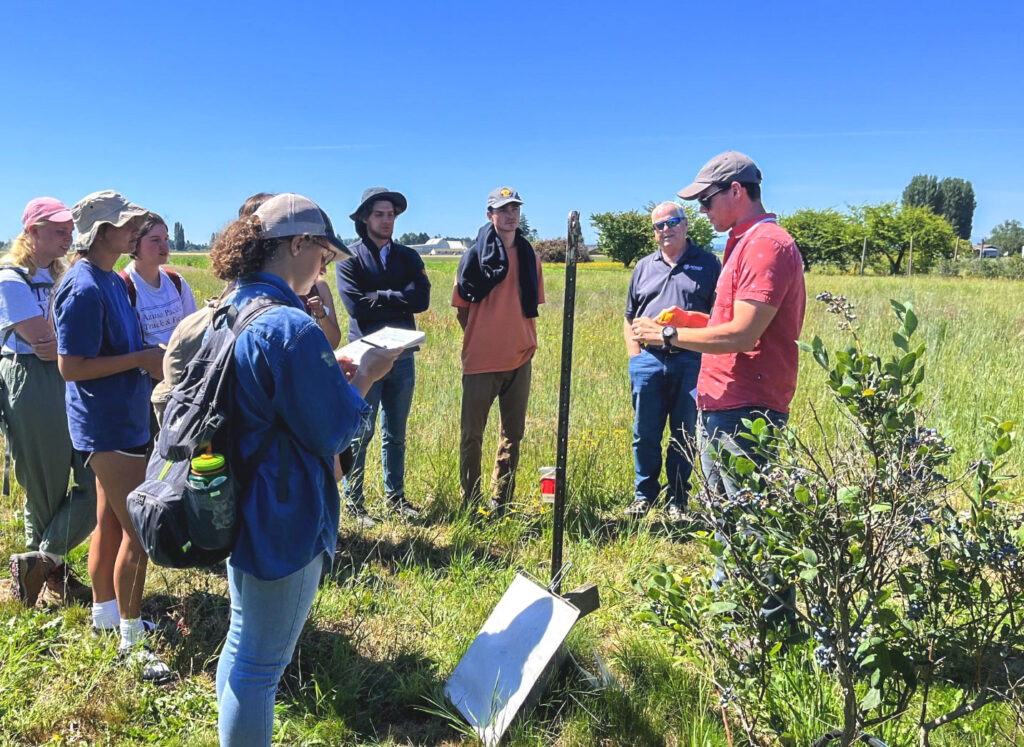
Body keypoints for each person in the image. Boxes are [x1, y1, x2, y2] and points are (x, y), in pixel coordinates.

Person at [209, 193, 399, 746]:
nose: (324, 267)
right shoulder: (290, 327)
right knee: (260, 669)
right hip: (284, 511)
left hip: (240, 499)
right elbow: (334, 432)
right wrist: (365, 373)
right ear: (297, 244)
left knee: (242, 643)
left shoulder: (234, 305)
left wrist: (324, 374)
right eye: (321, 253)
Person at [631, 152, 806, 624]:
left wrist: (668, 335)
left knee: (754, 522)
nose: (703, 211)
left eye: (707, 200)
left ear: (737, 191)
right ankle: (733, 621)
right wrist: (693, 322)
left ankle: (768, 630)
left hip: (746, 405)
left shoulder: (767, 245)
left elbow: (745, 335)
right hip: (723, 400)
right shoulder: (742, 242)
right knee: (730, 519)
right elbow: (731, 324)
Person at [53, 190, 168, 678]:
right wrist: (142, 360)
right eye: (128, 227)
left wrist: (149, 351)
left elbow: (114, 344)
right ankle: (131, 638)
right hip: (107, 426)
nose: (136, 233)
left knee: (112, 523)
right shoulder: (83, 287)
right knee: (141, 531)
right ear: (101, 233)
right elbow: (71, 366)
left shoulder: (109, 281)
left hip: (122, 416)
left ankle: (104, 617)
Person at [2, 198, 96, 606]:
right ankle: (45, 584)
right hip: (31, 379)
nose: (68, 237)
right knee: (45, 487)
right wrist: (71, 344)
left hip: (63, 374)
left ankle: (38, 563)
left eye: (69, 230)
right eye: (58, 230)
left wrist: (65, 344)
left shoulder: (59, 274)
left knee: (97, 480)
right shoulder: (10, 278)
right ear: (33, 231)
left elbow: (58, 341)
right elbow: (40, 341)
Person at [337, 187, 431, 527]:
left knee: (396, 431)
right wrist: (398, 294)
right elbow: (356, 306)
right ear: (365, 218)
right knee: (360, 430)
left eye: (391, 214)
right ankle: (355, 501)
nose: (387, 219)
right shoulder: (349, 259)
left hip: (402, 355)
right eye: (379, 214)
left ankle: (396, 498)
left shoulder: (408, 257)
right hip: (364, 358)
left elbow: (421, 300)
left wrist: (380, 294)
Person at [623, 202, 720, 522]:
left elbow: (719, 319)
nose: (666, 230)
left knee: (684, 433)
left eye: (672, 222)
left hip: (690, 362)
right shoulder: (643, 267)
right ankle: (644, 495)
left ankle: (678, 499)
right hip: (648, 361)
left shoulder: (707, 264)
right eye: (659, 226)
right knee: (645, 432)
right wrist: (634, 358)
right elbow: (629, 317)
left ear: (686, 224)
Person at [452, 187, 544, 515]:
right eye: (503, 209)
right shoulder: (474, 257)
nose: (510, 215)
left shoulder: (529, 256)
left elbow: (531, 305)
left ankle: (501, 501)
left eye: (515, 208)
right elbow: (462, 308)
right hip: (481, 360)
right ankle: (471, 501)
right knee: (472, 436)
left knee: (513, 434)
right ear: (489, 214)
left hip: (520, 357)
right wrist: (483, 337)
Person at [119, 212, 198, 346]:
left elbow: (194, 328)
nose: (165, 247)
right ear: (135, 243)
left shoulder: (176, 281)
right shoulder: (123, 287)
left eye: (166, 239)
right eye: (155, 240)